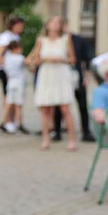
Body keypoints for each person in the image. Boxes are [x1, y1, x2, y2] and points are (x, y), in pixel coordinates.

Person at [30, 15, 78, 151]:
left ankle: (71, 139)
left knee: (65, 108)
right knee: (45, 108)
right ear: (47, 25)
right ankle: (46, 138)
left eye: (58, 22)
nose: (56, 24)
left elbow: (72, 59)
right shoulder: (41, 40)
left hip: (61, 74)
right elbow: (35, 59)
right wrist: (45, 60)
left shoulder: (65, 39)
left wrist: (61, 60)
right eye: (53, 22)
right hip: (46, 74)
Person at [0, 16, 26, 128]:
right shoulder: (6, 37)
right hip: (9, 72)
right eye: (19, 25)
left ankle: (12, 121)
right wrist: (8, 69)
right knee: (8, 97)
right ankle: (7, 121)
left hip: (13, 72)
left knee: (13, 98)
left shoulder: (16, 37)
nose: (22, 27)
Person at [0, 35, 28, 134]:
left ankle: (2, 122)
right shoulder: (19, 58)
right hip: (19, 83)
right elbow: (29, 63)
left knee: (9, 103)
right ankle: (20, 124)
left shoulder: (7, 58)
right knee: (18, 104)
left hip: (10, 82)